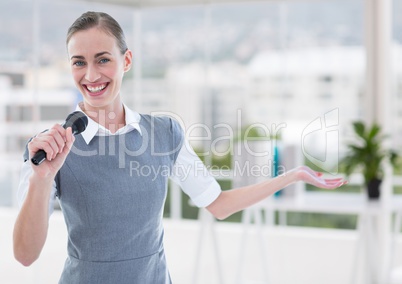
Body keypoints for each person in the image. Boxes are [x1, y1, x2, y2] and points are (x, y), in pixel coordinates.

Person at [13, 11, 347, 284]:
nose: (91, 74)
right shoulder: (50, 149)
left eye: (103, 60)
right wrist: (41, 180)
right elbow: (25, 254)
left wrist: (291, 176)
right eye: (78, 62)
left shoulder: (164, 133)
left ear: (126, 60)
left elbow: (218, 204)